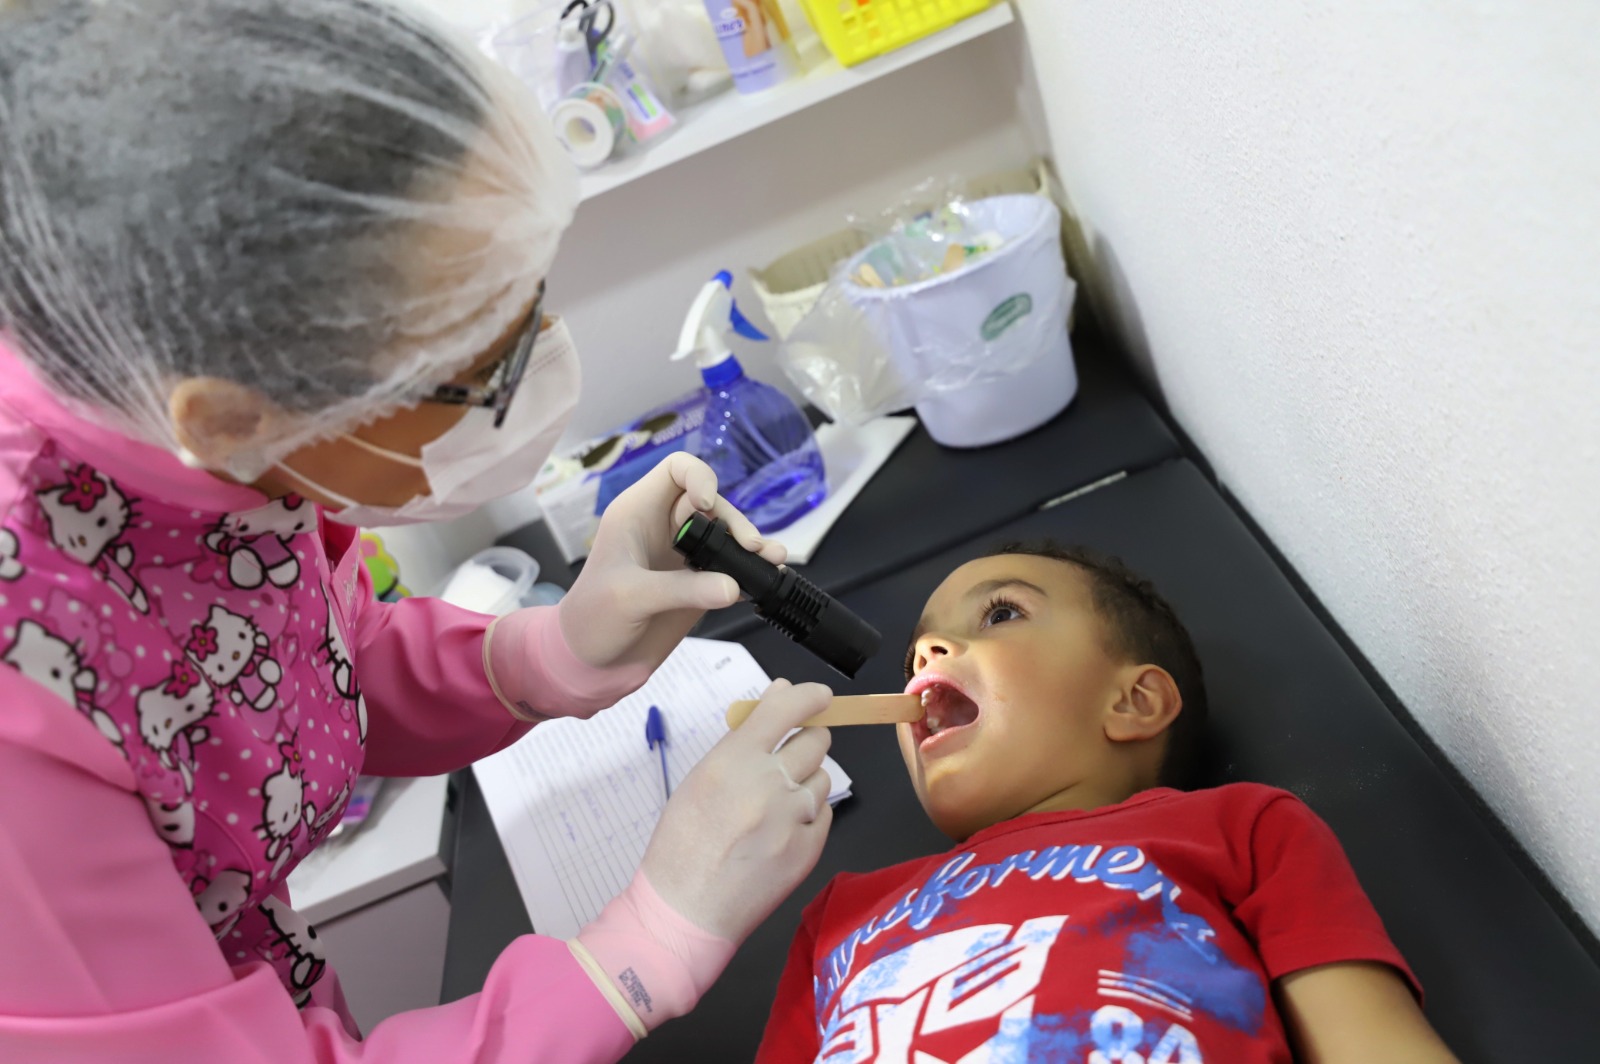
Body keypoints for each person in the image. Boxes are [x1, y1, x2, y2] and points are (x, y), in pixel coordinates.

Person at [0, 2, 835, 1060]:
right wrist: (642, 946)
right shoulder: (18, 684)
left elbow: (284, 673)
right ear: (229, 414)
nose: (543, 372)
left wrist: (553, 649)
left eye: (525, 305)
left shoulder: (184, 419)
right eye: (482, 365)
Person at [756, 544, 1462, 1063]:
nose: (927, 654)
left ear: (1133, 701)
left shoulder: (1240, 829)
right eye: (916, 656)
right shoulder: (838, 918)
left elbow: (1375, 1045)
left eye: (1000, 613)